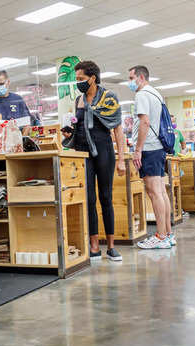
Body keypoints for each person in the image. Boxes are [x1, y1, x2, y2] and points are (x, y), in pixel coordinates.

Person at [62, 60, 126, 261]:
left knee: (106, 197)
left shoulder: (109, 97)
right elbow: (77, 126)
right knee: (89, 199)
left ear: (93, 78)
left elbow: (117, 129)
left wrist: (121, 158)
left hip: (104, 151)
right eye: (77, 79)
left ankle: (112, 246)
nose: (78, 83)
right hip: (83, 153)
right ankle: (94, 245)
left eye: (81, 79)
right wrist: (68, 132)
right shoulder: (79, 101)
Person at [127, 65, 174, 250]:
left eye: (131, 78)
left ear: (140, 77)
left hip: (150, 148)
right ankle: (168, 234)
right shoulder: (155, 93)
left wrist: (138, 150)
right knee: (161, 191)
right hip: (159, 148)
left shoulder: (141, 95)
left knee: (154, 192)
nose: (129, 81)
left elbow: (145, 122)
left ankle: (161, 236)